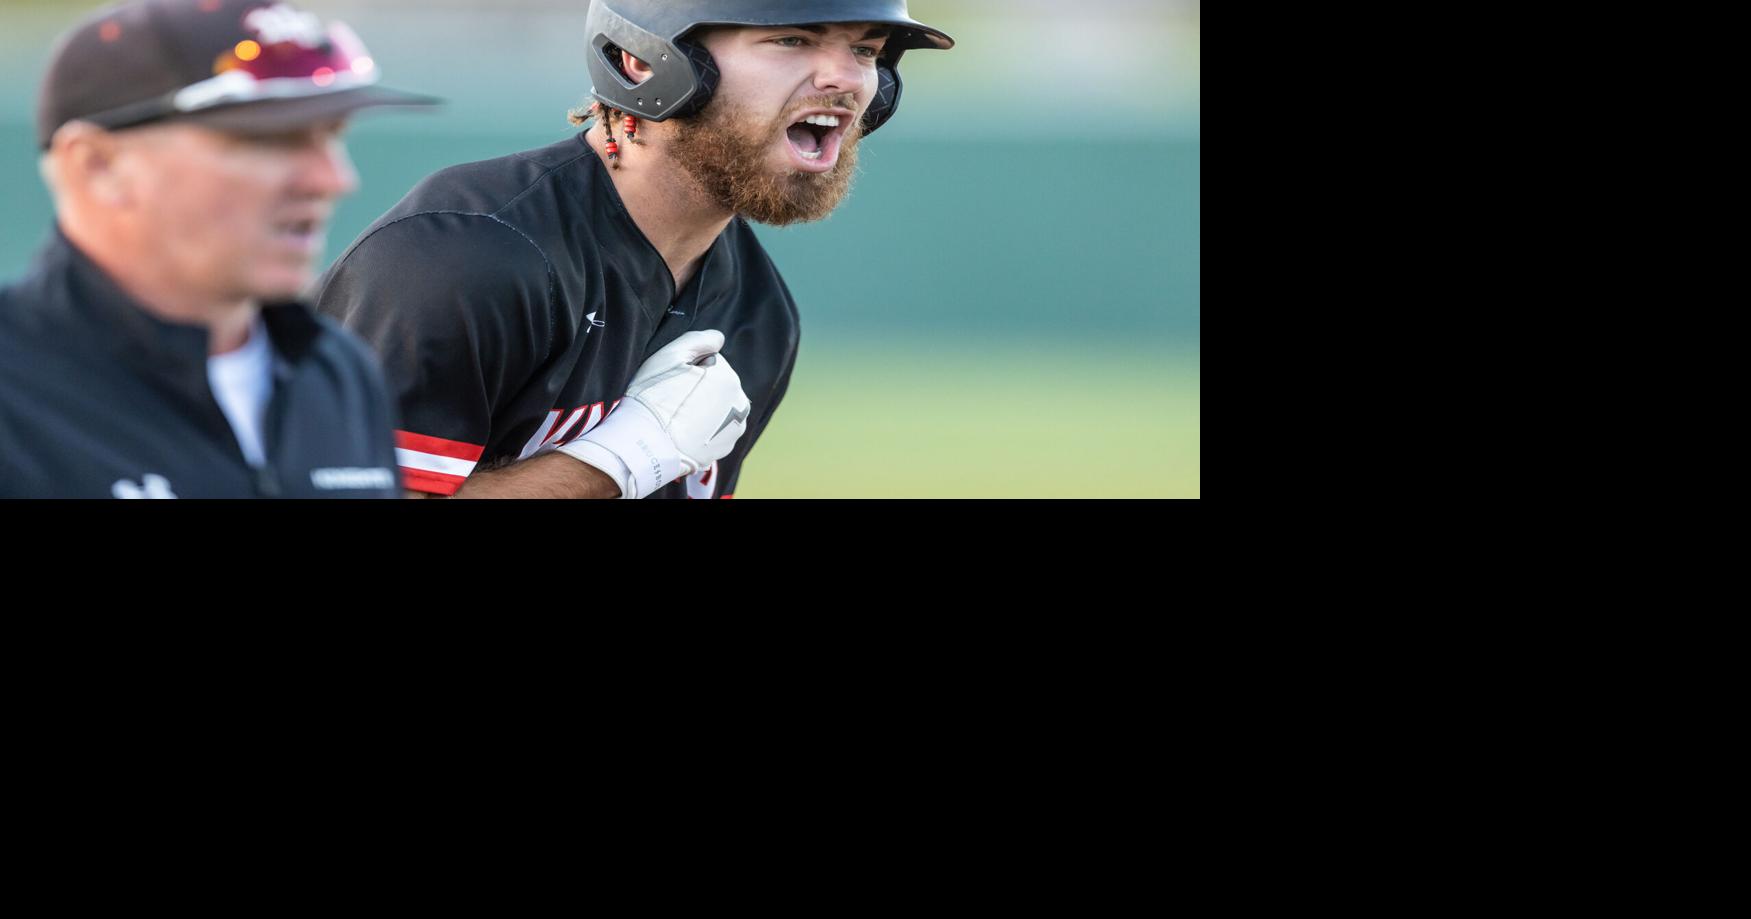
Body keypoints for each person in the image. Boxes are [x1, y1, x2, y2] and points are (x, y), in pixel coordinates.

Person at [314, 0, 954, 499]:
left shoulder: (757, 315)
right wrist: (618, 462)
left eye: (866, 51)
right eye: (792, 40)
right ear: (643, 60)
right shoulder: (464, 256)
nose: (846, 77)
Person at [0, 0, 439, 499]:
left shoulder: (335, 370)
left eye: (332, 136)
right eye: (271, 139)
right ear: (98, 165)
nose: (333, 179)